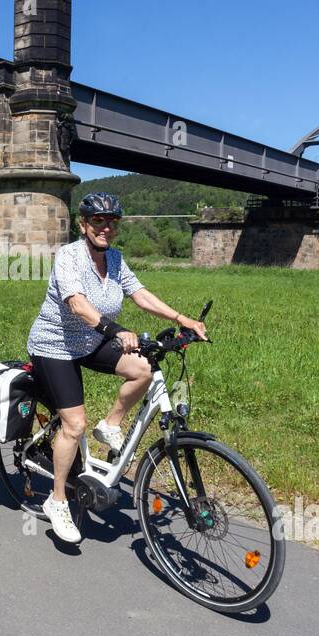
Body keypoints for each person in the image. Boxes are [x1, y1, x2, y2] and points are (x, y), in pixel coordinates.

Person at [27, 191, 207, 545]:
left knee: (142, 369)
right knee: (73, 424)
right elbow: (77, 304)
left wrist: (181, 318)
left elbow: (140, 294)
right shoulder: (69, 256)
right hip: (55, 345)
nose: (106, 227)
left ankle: (109, 425)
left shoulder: (115, 259)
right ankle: (58, 499)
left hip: (90, 343)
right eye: (98, 220)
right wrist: (113, 330)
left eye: (112, 222)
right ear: (83, 224)